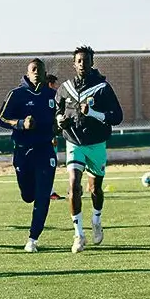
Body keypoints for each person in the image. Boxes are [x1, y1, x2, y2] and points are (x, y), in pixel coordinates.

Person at [55, 45, 123, 253]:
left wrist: (93, 113)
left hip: (96, 144)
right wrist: (60, 121)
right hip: (74, 142)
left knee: (95, 189)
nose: (82, 64)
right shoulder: (65, 88)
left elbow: (117, 117)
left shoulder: (103, 88)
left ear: (93, 62)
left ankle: (96, 219)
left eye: (86, 60)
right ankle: (78, 234)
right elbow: (57, 112)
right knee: (74, 186)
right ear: (73, 64)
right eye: (79, 61)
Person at [0, 59, 59, 252]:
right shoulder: (17, 94)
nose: (37, 73)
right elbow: (1, 119)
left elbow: (61, 117)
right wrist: (21, 123)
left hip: (45, 149)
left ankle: (33, 238)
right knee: (28, 195)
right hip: (23, 150)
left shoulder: (53, 95)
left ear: (44, 72)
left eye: (40, 70)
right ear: (27, 72)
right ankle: (28, 193)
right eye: (33, 69)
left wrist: (58, 126)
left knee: (43, 195)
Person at [47, 73, 65, 201]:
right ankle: (49, 191)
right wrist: (52, 135)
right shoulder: (51, 97)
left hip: (46, 137)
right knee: (50, 164)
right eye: (55, 84)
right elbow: (51, 119)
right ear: (50, 84)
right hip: (48, 138)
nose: (56, 87)